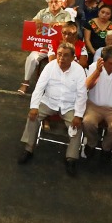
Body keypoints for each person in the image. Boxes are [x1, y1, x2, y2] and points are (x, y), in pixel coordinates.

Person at [19, 42, 86, 173]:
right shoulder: (50, 66)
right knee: (33, 117)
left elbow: (82, 95)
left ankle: (71, 158)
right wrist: (33, 107)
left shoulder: (79, 71)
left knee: (77, 126)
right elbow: (39, 88)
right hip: (49, 101)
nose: (61, 58)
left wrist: (78, 115)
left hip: (69, 105)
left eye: (66, 56)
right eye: (59, 54)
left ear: (73, 58)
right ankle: (28, 149)